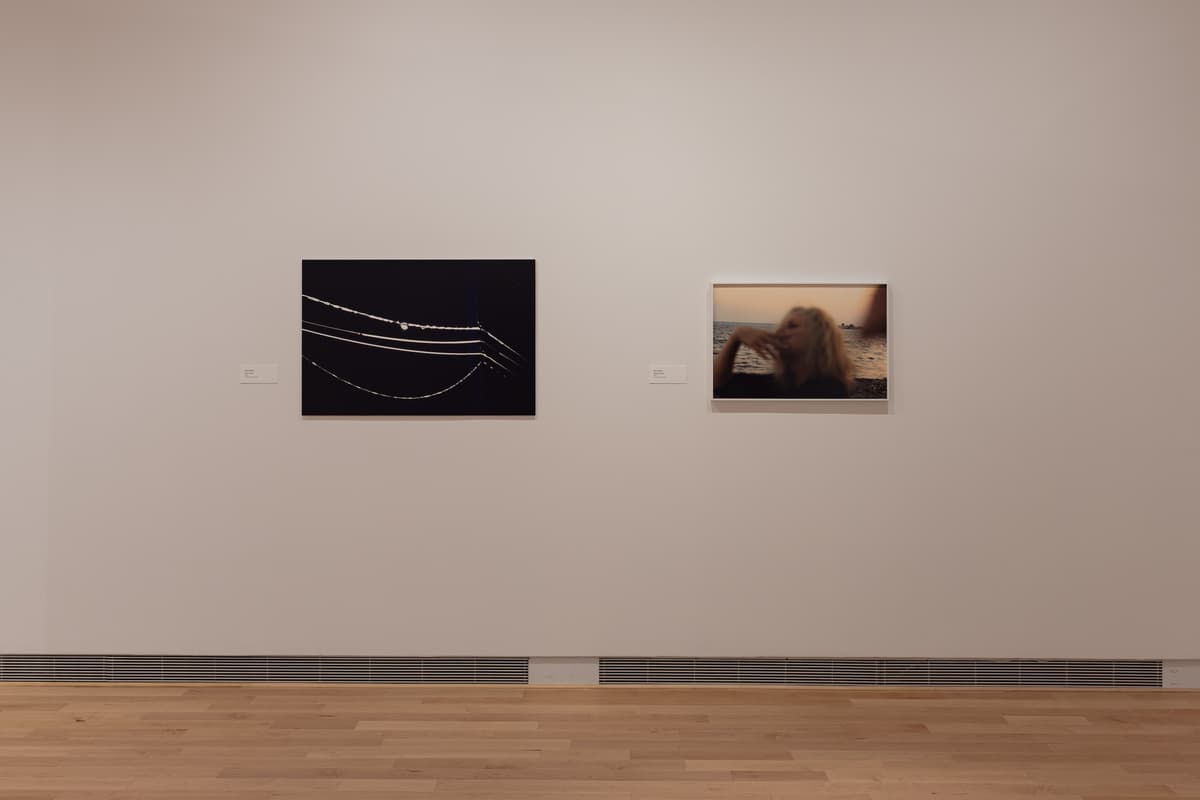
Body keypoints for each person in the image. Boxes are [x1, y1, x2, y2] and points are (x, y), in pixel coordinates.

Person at [713, 306, 855, 398]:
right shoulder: (774, 384)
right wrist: (736, 337)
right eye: (780, 327)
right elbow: (716, 383)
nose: (780, 332)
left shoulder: (831, 389)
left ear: (819, 338)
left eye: (792, 326)